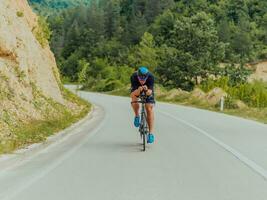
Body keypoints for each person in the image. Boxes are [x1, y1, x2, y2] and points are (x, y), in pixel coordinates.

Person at [130, 66, 155, 144]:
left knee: (149, 108)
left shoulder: (151, 77)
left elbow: (150, 92)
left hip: (148, 90)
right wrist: (139, 90)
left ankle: (150, 134)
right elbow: (134, 93)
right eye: (140, 79)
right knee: (134, 99)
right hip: (136, 89)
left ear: (147, 77)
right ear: (138, 76)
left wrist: (146, 89)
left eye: (144, 79)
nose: (142, 81)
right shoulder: (133, 76)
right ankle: (137, 116)